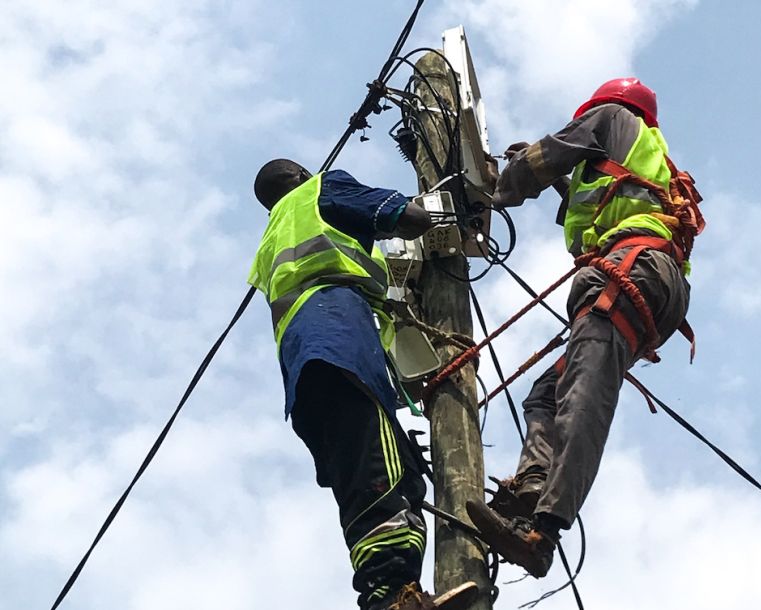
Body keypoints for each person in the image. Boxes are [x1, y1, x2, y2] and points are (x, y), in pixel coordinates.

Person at [466, 78, 702, 577]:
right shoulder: (639, 153)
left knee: (582, 393)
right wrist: (555, 180)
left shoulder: (610, 118)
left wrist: (491, 189)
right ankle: (533, 485)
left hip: (632, 267)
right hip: (653, 281)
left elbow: (546, 157)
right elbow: (590, 192)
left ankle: (543, 532)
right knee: (547, 395)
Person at [247, 159, 478, 610]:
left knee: (386, 479)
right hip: (341, 346)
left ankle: (387, 596)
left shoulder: (273, 237)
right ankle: (393, 596)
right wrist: (446, 214)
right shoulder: (320, 191)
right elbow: (406, 218)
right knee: (382, 476)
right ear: (298, 175)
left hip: (308, 366)